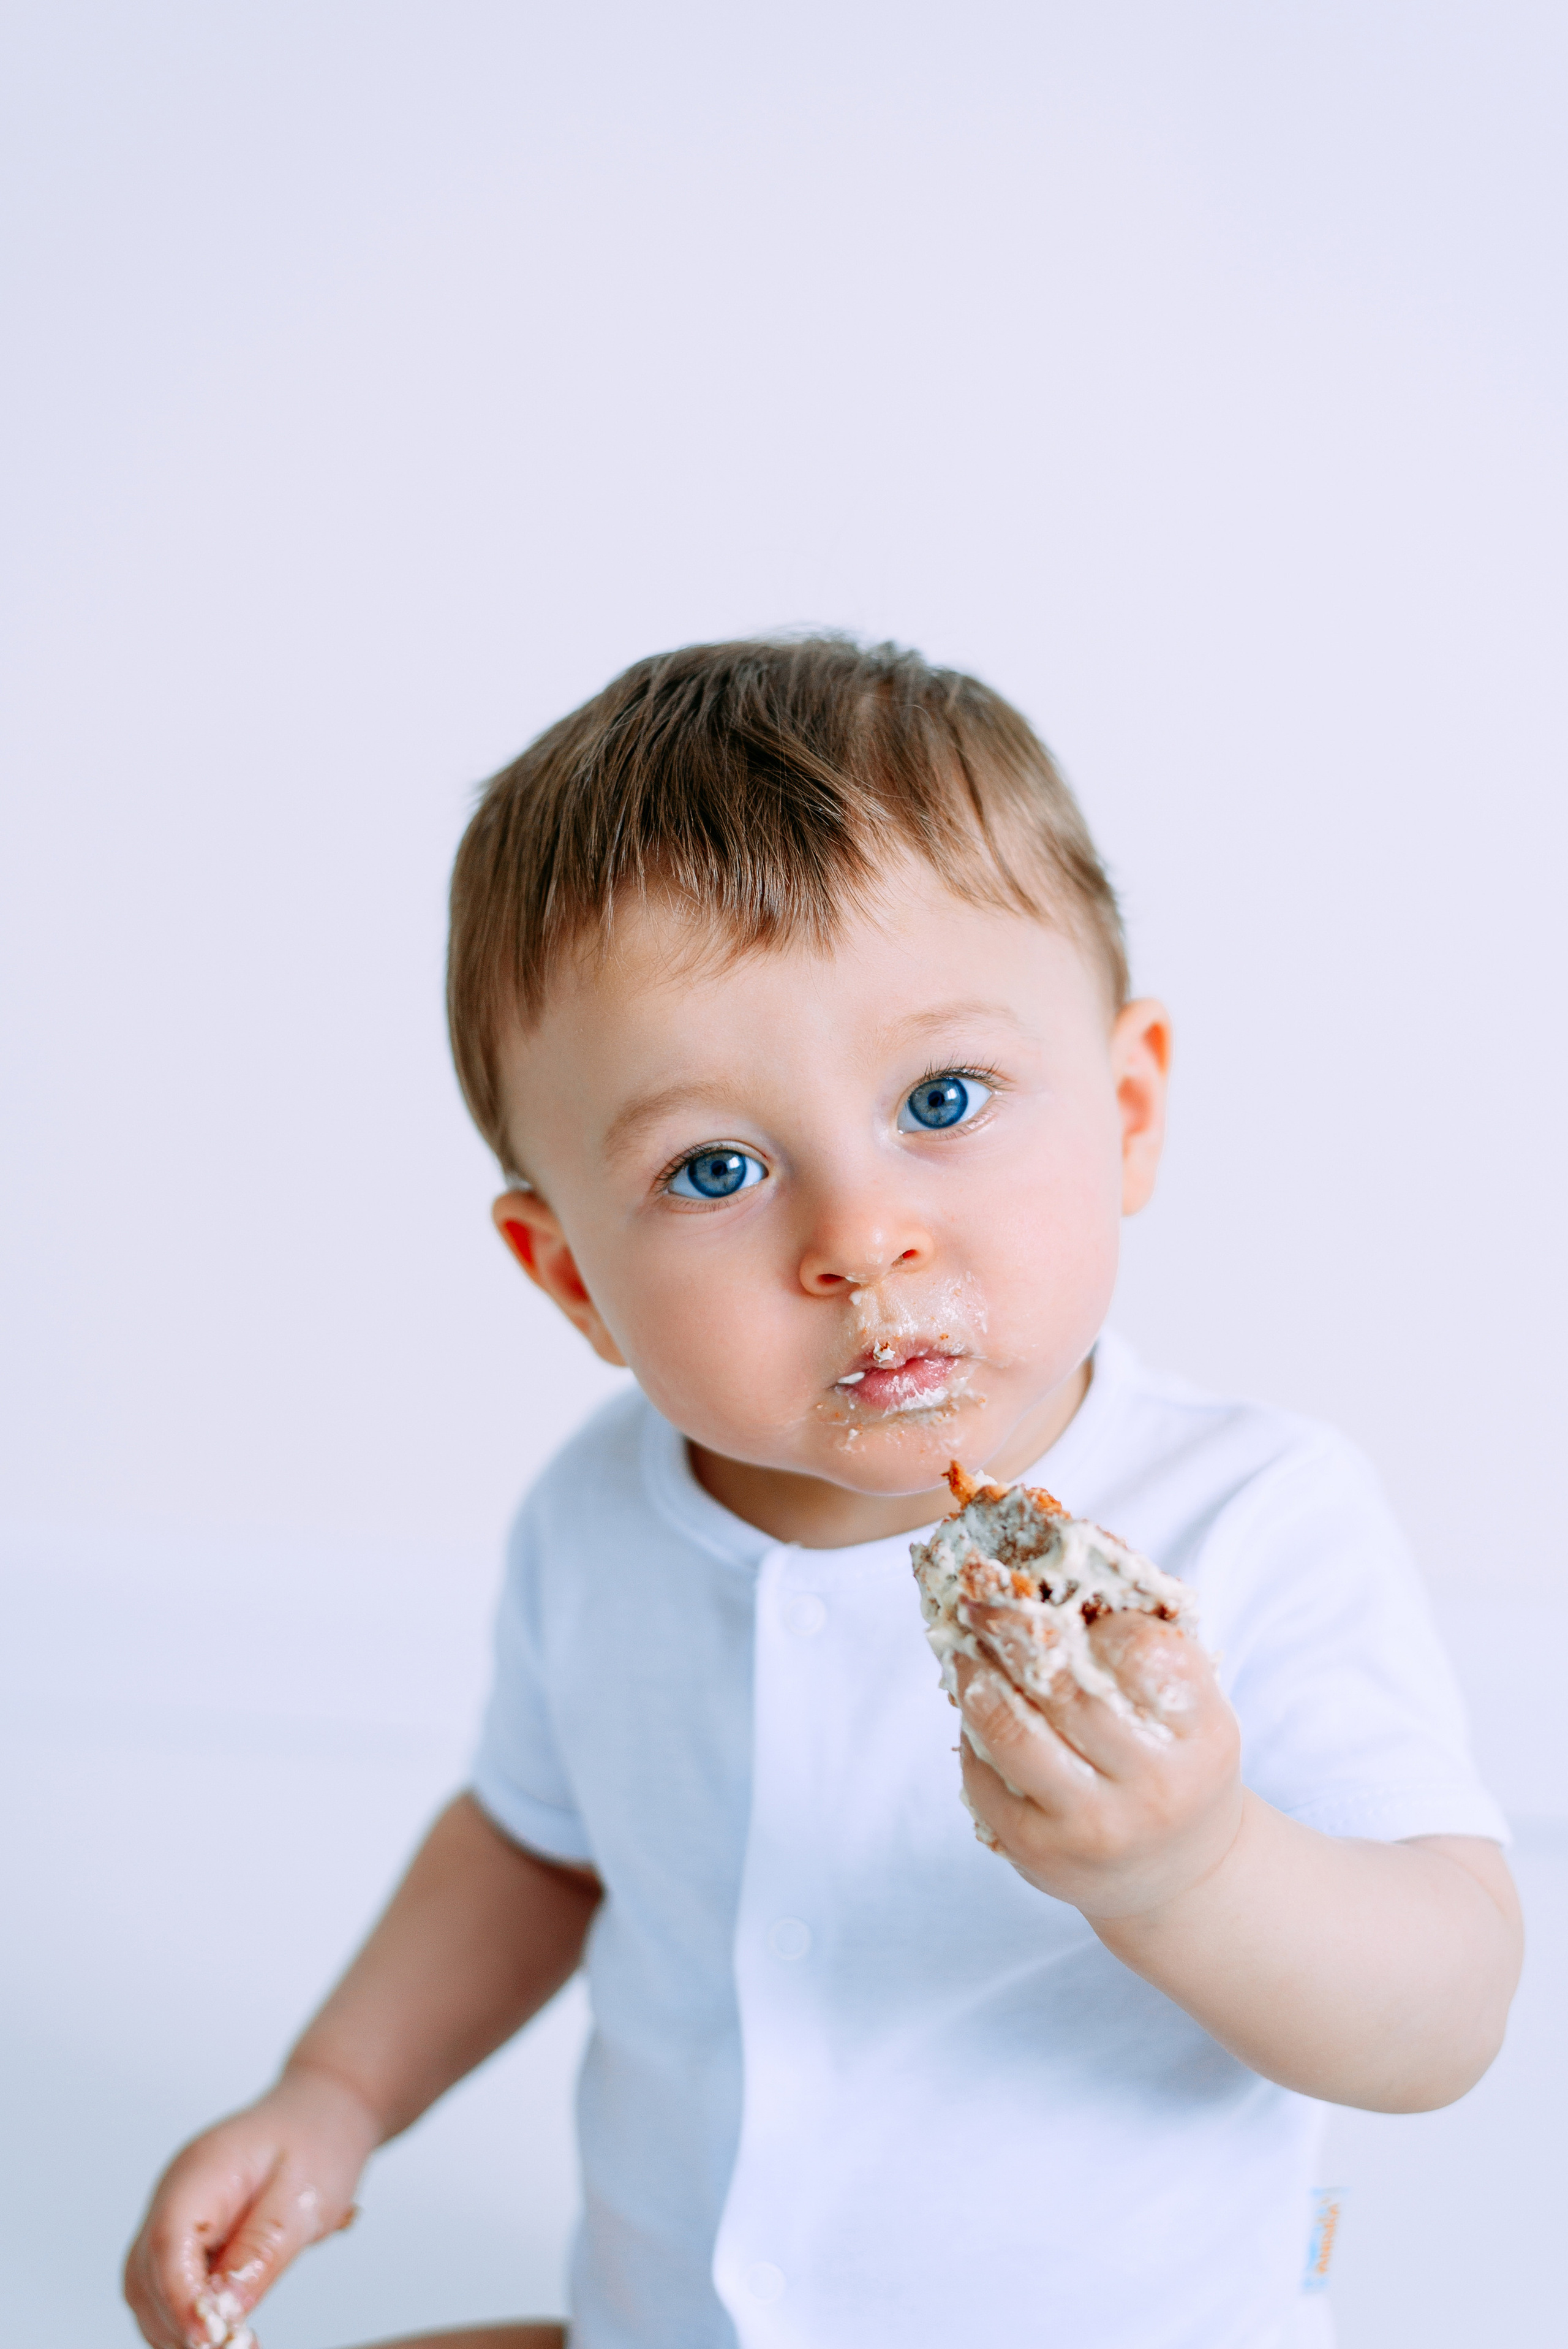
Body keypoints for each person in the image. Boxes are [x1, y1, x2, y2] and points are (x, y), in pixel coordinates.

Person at [124, 638, 1521, 2349]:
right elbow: (535, 1847)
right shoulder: (599, 1520)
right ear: (570, 1278)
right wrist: (336, 2091)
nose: (862, 1237)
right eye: (715, 1168)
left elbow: (1446, 2016)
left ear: (1129, 1108)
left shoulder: (1254, 1516)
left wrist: (1196, 1865)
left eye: (943, 1099)